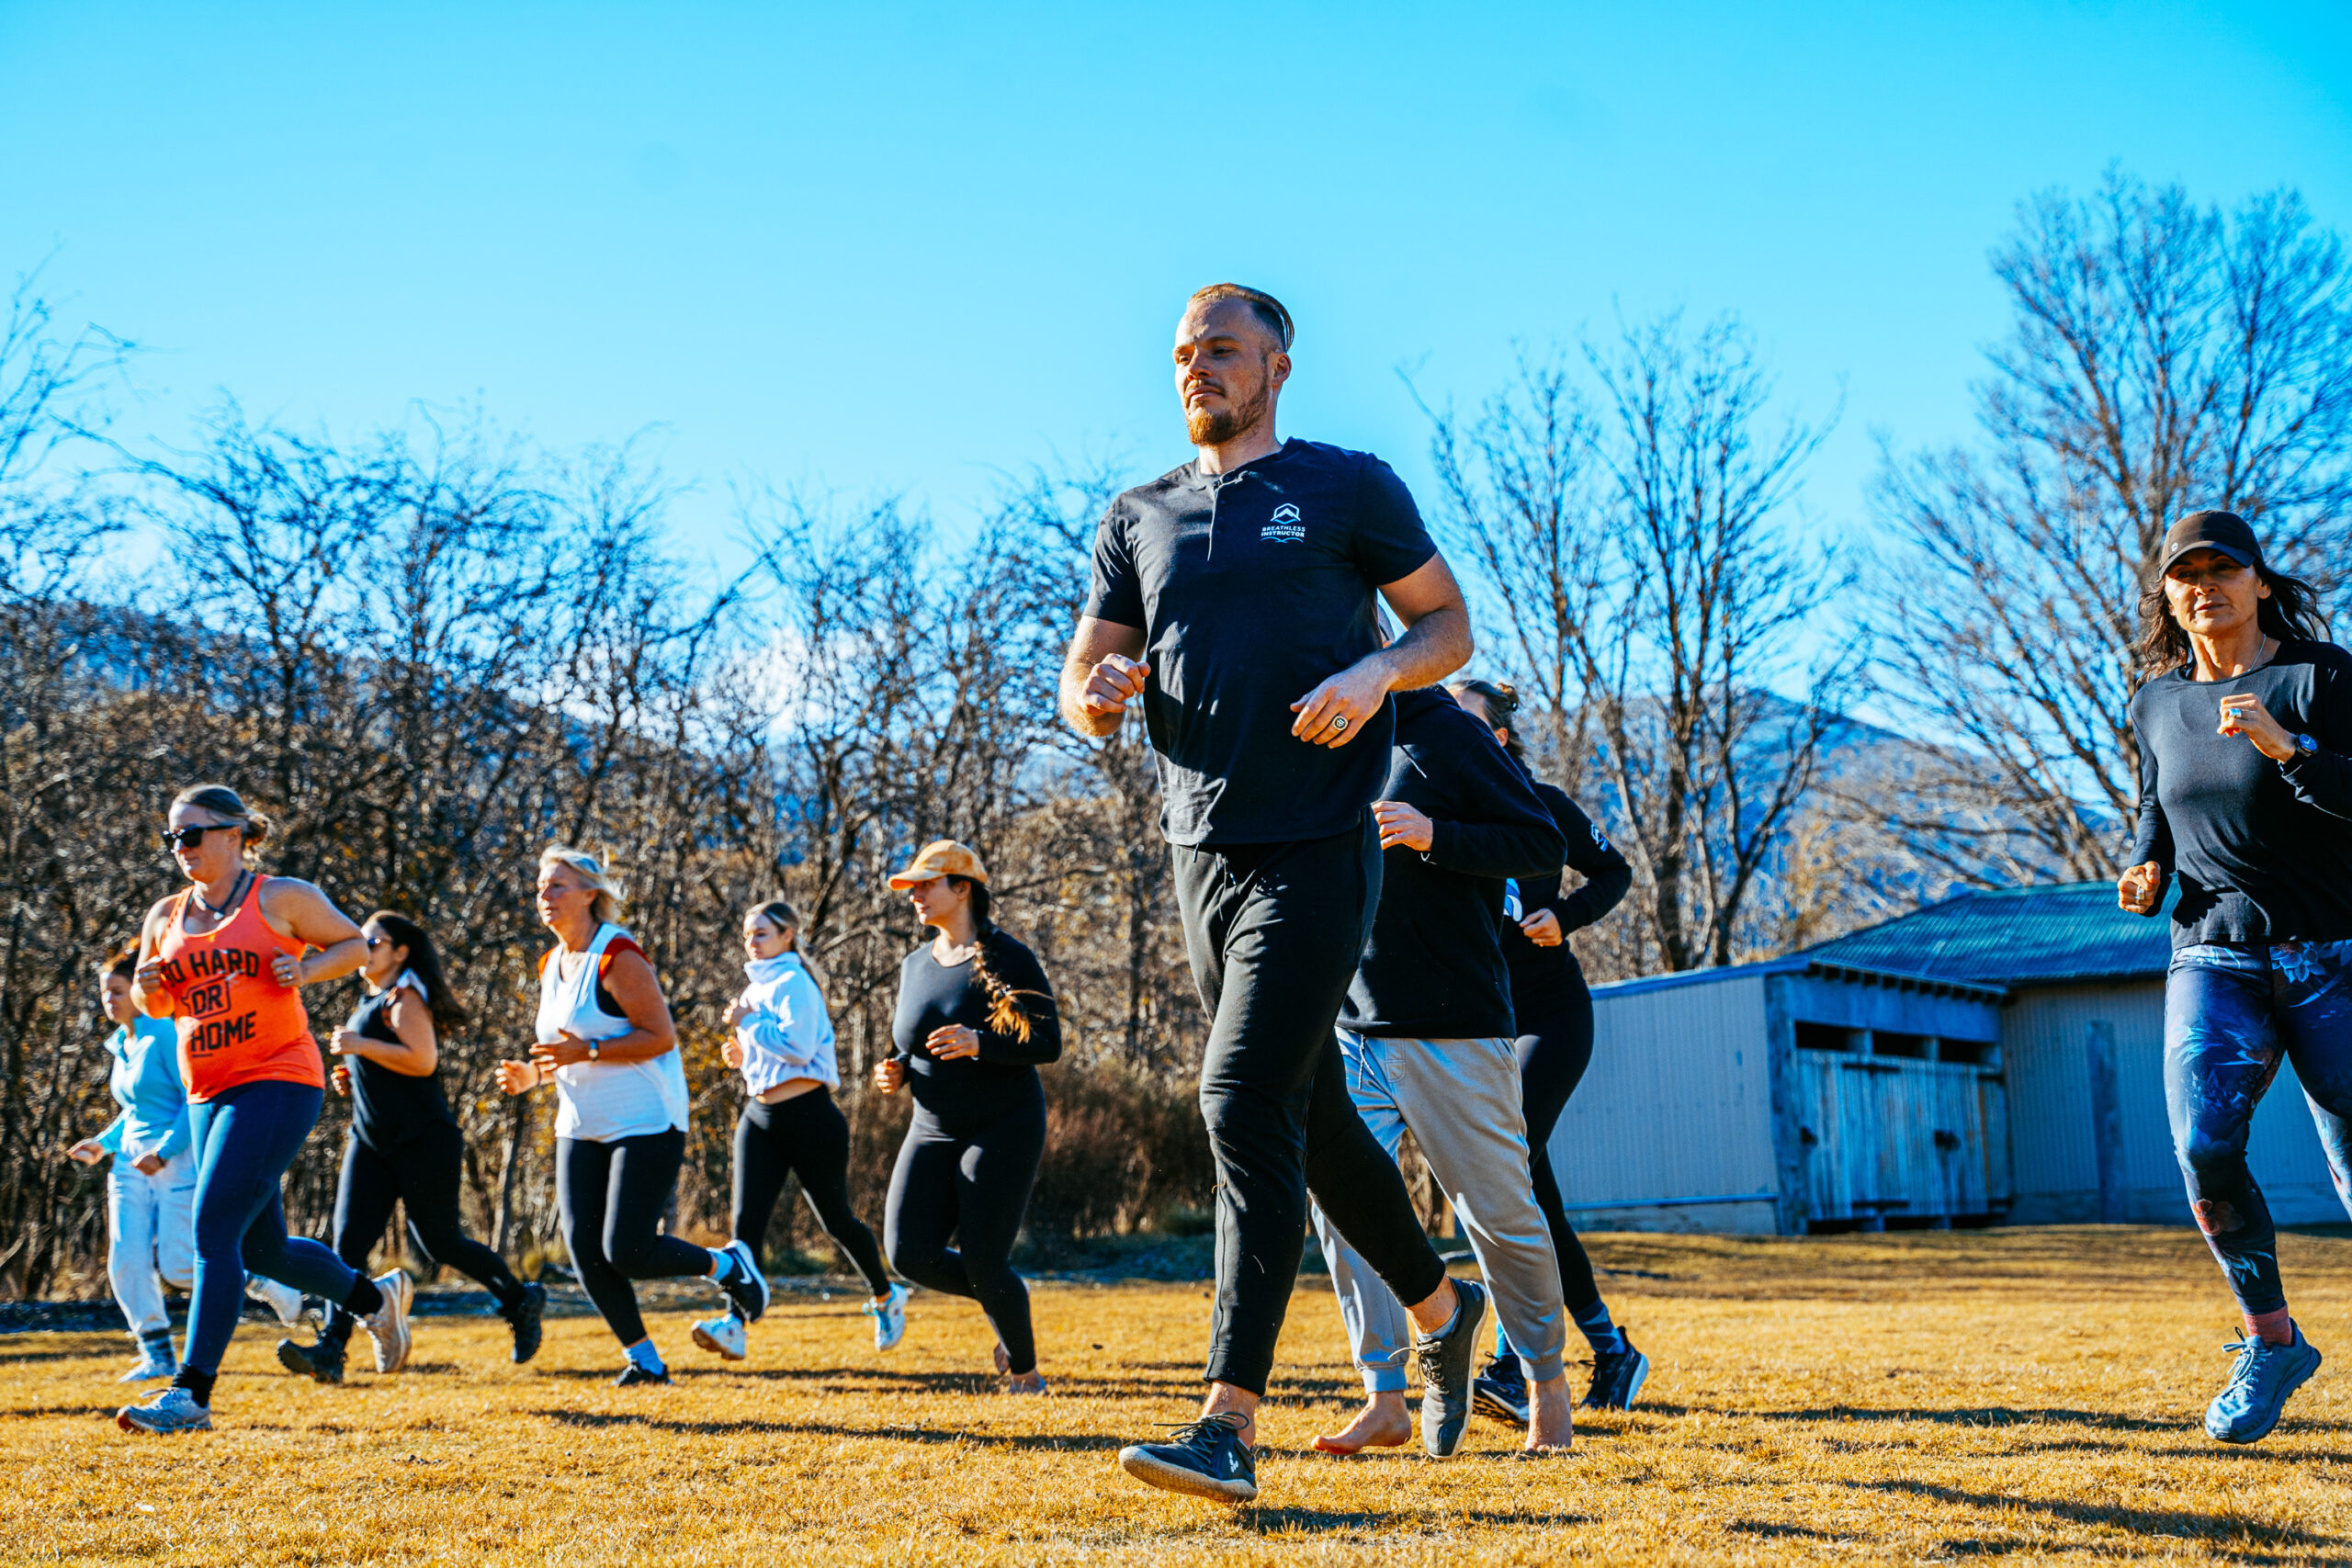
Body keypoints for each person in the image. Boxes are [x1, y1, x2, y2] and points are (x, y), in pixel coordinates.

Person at [1062, 283, 1486, 1501]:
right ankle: (1442, 1308)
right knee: (1311, 1115)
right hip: (1201, 848)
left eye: (1222, 349)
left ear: (1277, 366)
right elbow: (1084, 677)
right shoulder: (1138, 515)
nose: (1197, 368)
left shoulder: (1347, 486)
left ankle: (1227, 1422)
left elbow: (1447, 626)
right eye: (1182, 354)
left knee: (1240, 1099)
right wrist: (1097, 695)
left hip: (1318, 841)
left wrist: (1377, 672)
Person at [2117, 509, 2352, 1447]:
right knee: (2202, 1145)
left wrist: (2288, 749)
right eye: (2186, 575)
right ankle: (2273, 1342)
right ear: (2169, 598)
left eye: (2223, 568)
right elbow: (2156, 814)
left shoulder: (2320, 677)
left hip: (2331, 952)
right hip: (2212, 950)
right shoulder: (2155, 704)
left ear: (2259, 582)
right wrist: (2145, 870)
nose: (2205, 586)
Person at [1307, 682, 1575, 1456]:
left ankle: (1546, 1387)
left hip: (1454, 1026)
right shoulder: (1333, 729)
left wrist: (1434, 834)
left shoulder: (1449, 733)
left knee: (1499, 1214)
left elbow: (1542, 843)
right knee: (1343, 1207)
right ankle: (1385, 1393)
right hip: (1352, 1023)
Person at [115, 784, 412, 1435]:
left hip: (277, 1078)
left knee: (212, 1229)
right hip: (206, 1090)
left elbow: (354, 947)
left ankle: (190, 1394)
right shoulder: (165, 915)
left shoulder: (279, 897)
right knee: (264, 1249)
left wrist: (303, 972)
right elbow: (154, 1003)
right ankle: (375, 1298)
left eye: (191, 834)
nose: (179, 848)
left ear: (235, 835)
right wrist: (148, 986)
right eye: (171, 837)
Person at [1449, 677, 1646, 1420]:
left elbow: (1615, 870)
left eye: (1464, 722)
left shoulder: (1542, 803)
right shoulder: (1438, 816)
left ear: (1498, 737)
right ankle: (1610, 1346)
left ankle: (1512, 1362)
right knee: (1527, 1192)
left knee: (1505, 1174)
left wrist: (1565, 915)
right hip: (1482, 1027)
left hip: (1552, 1018)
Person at [496, 847, 763, 1385]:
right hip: (580, 1124)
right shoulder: (551, 963)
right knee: (585, 1250)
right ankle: (645, 1361)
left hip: (645, 1120)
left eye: (557, 886)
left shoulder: (617, 955)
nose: (544, 896)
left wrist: (590, 1052)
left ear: (590, 894)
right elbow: (565, 1051)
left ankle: (728, 1266)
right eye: (541, 886)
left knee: (627, 1250)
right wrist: (533, 1076)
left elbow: (660, 1037)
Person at [277, 911, 545, 1382]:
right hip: (371, 1141)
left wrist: (361, 1047)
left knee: (440, 1243)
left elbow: (422, 1061)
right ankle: (330, 1350)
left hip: (423, 1140)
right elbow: (390, 1066)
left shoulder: (405, 997)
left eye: (374, 942)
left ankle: (519, 1300)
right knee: (347, 1246)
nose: (363, 949)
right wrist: (356, 1079)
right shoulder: (371, 999)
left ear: (400, 952)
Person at [870, 842, 1057, 1394]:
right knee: (908, 1254)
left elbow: (1048, 1042)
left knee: (983, 1258)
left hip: (1003, 1124)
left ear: (963, 888)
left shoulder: (1007, 957)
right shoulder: (914, 965)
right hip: (931, 1126)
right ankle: (1005, 1296)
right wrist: (896, 1070)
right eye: (912, 887)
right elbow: (909, 1042)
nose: (915, 896)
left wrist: (981, 1042)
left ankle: (1025, 1376)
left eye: (926, 885)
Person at [689, 897, 905, 1361]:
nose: (751, 941)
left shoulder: (795, 983)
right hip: (760, 1117)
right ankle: (734, 1325)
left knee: (836, 1221)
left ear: (788, 935)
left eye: (761, 933)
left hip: (809, 1117)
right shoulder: (754, 988)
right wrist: (742, 1057)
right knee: (745, 1227)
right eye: (747, 934)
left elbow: (799, 1048)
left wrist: (748, 1023)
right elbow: (769, 1054)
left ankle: (886, 1296)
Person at [69, 945, 198, 1382]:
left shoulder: (163, 1033)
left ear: (138, 993)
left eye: (118, 991)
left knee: (180, 1264)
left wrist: (164, 1151)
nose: (110, 1000)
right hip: (128, 1163)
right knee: (125, 1259)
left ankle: (259, 1279)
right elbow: (135, 1109)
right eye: (105, 992)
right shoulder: (121, 1042)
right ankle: (156, 1354)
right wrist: (102, 1144)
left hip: (172, 1160)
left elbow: (191, 1099)